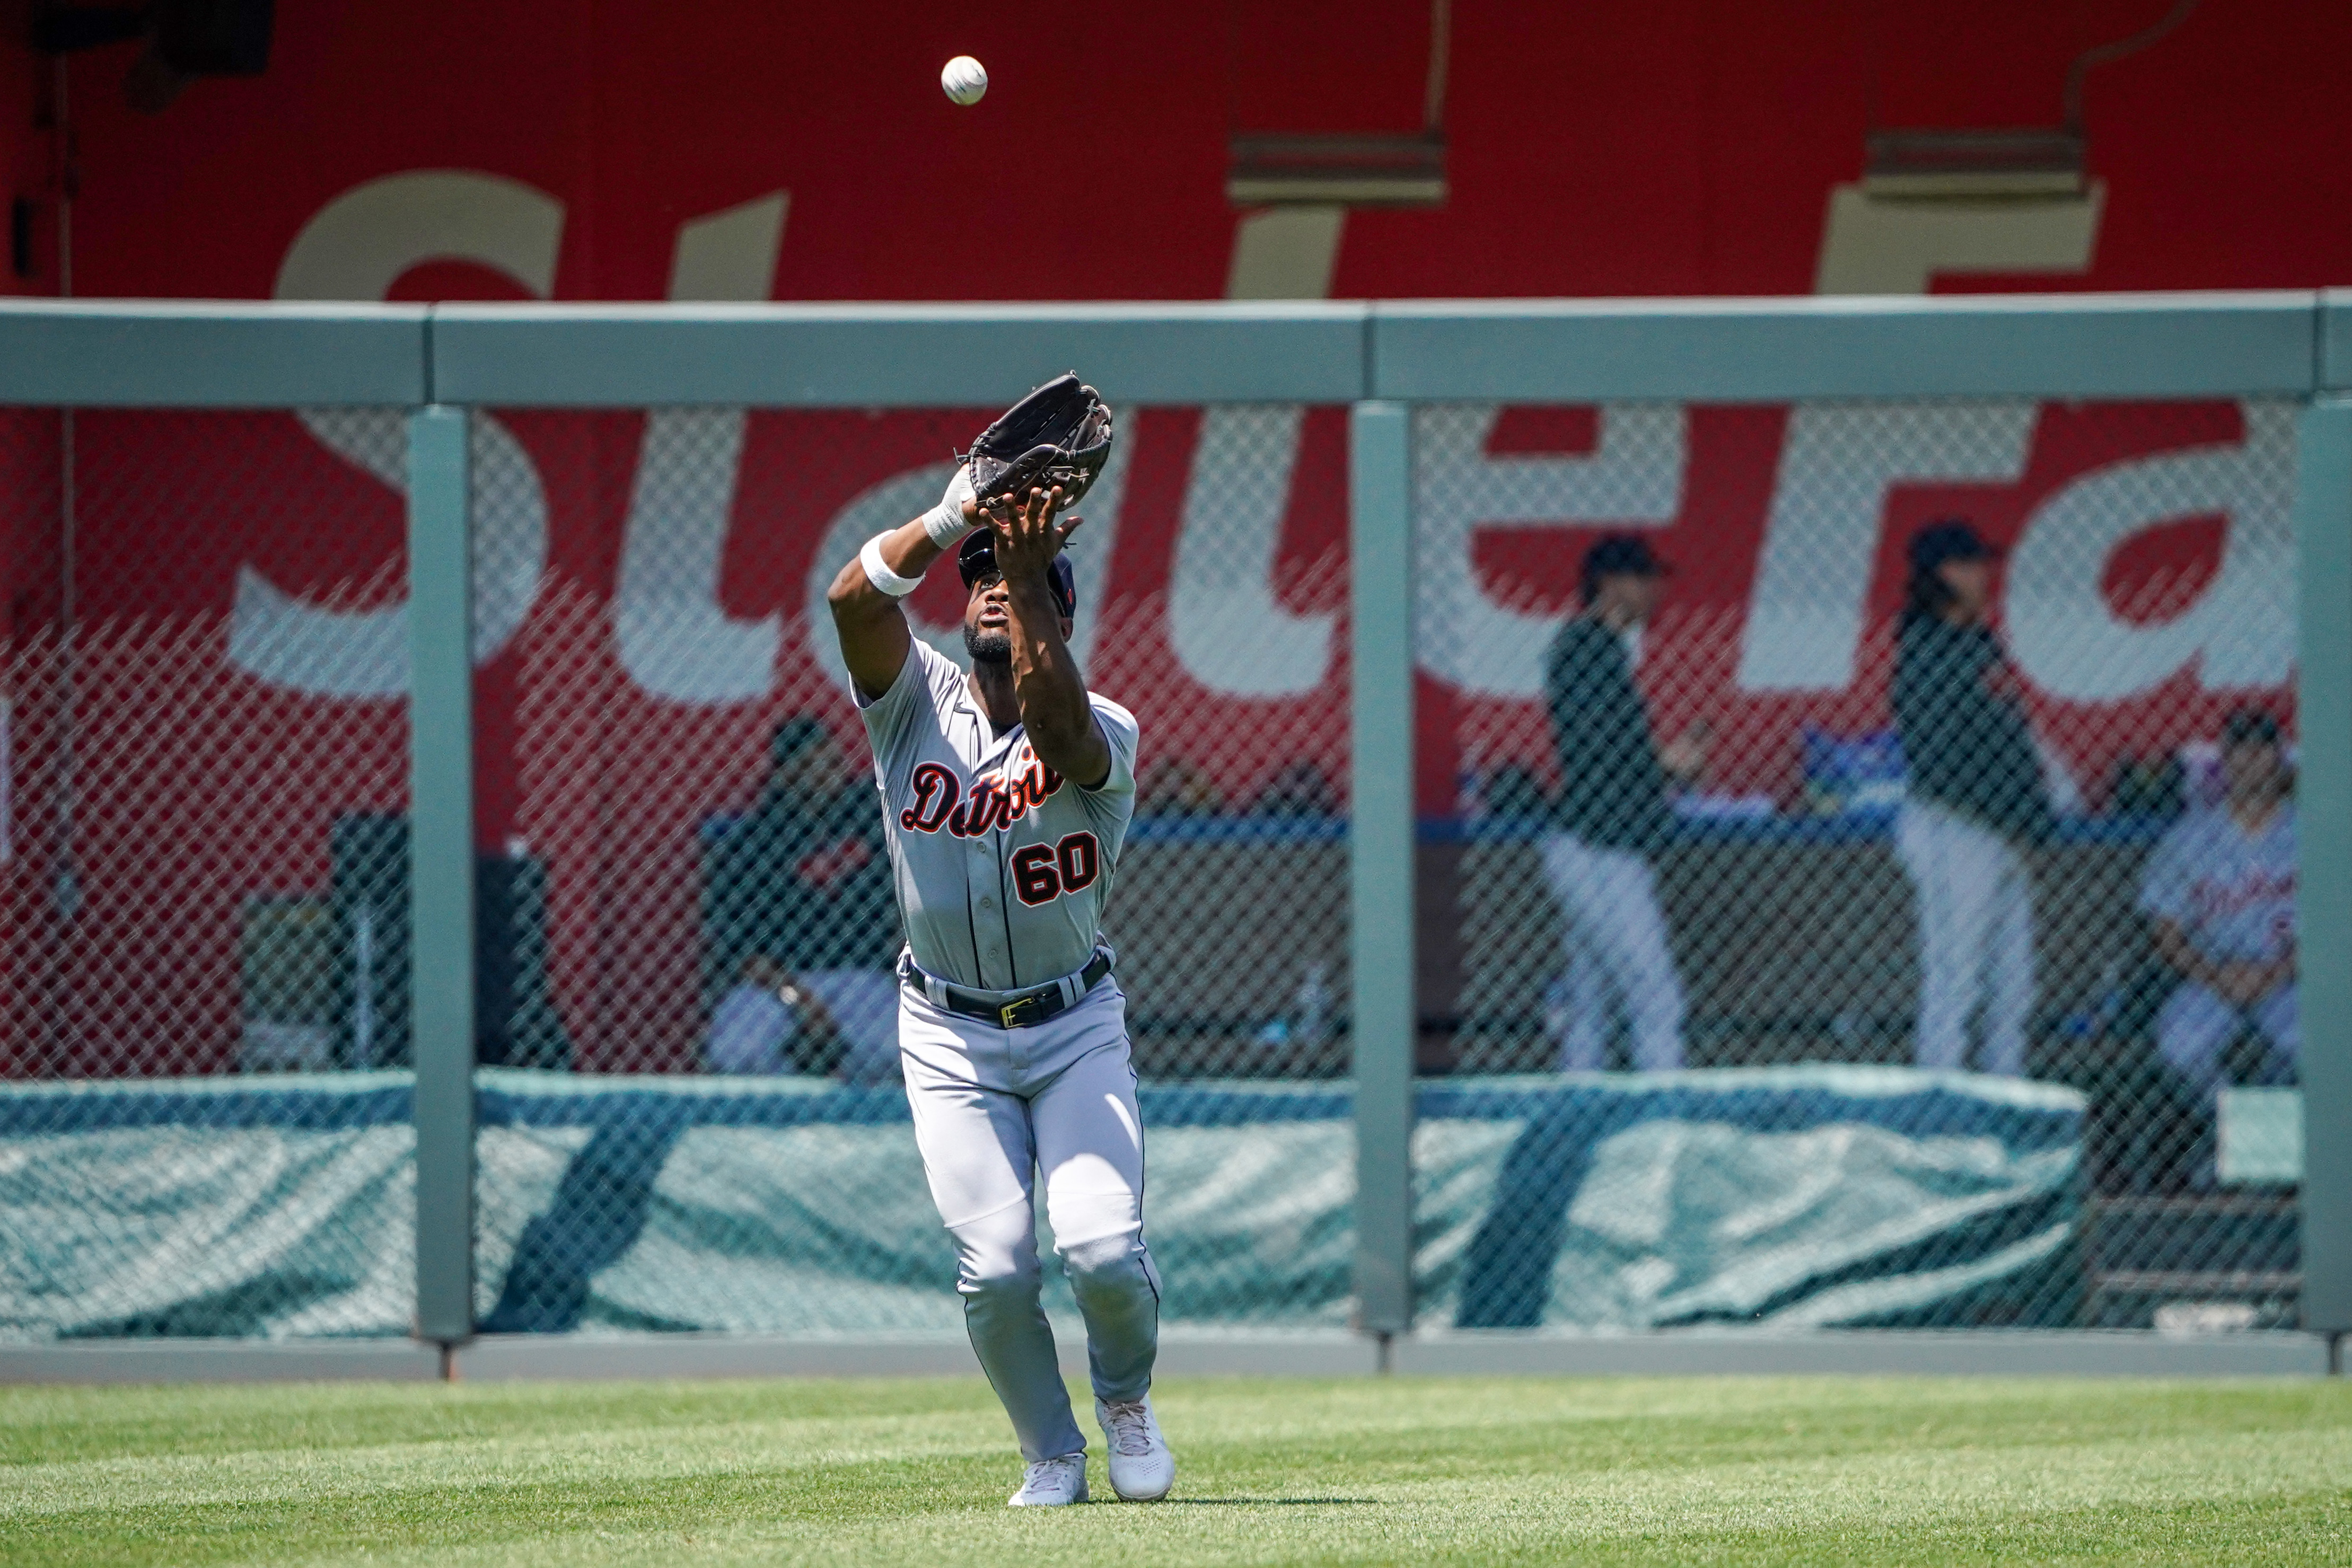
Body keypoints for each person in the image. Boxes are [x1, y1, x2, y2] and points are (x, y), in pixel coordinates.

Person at [823, 390, 1173, 1509]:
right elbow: (850, 601)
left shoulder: (1102, 726)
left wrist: (1025, 576)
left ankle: (1124, 1396)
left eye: (1010, 585)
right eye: (972, 582)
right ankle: (1052, 1451)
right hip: (948, 1032)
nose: (985, 593)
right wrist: (951, 516)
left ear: (1055, 617)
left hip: (1072, 1027)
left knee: (1105, 1253)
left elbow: (1057, 728)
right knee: (998, 1269)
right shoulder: (910, 703)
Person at [1890, 519, 2053, 1077]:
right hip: (1952, 830)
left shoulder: (1978, 642)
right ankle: (1938, 1116)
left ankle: (2001, 1112)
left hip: (2000, 835)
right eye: (1973, 564)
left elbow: (2010, 742)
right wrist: (2017, 817)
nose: (1985, 574)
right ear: (1946, 573)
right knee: (1954, 985)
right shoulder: (1925, 647)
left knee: (2013, 990)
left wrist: (2026, 820)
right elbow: (1947, 765)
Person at [1540, 534, 1704, 1073]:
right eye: (1644, 580)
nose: (1654, 592)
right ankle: (1660, 1113)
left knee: (1592, 1004)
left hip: (1598, 847)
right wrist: (1667, 760)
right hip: (1596, 851)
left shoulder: (1601, 649)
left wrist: (1662, 763)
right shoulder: (1583, 646)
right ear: (1611, 585)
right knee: (1657, 998)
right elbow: (1601, 741)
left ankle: (1578, 1109)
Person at [705, 718, 903, 1080]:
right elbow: (740, 949)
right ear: (785, 775)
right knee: (738, 1053)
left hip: (861, 977)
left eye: (832, 763)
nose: (827, 776)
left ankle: (855, 1125)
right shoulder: (753, 842)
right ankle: (777, 1126)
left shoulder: (874, 822)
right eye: (810, 766)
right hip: (779, 983)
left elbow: (907, 909)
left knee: (893, 1052)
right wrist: (796, 996)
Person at [2137, 708, 2297, 1106]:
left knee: (2314, 1044)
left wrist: (2277, 972)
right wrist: (2218, 976)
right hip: (2211, 977)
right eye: (2240, 751)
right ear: (2224, 760)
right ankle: (2229, 1125)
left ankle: (2272, 1129)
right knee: (2179, 1044)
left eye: (2261, 751)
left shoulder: (2310, 833)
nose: (2251, 762)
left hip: (2291, 978)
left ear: (2279, 758)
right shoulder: (2189, 836)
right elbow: (2166, 932)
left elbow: (2337, 930)